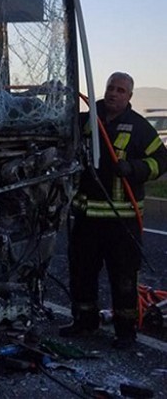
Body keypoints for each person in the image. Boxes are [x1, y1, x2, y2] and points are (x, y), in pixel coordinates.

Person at [61, 72, 167, 349]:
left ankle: (125, 332)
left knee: (124, 279)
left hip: (122, 221)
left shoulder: (140, 127)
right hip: (86, 219)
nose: (114, 93)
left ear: (129, 97)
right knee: (82, 273)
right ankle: (84, 322)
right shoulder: (86, 121)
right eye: (111, 88)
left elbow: (161, 160)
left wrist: (135, 168)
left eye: (121, 90)